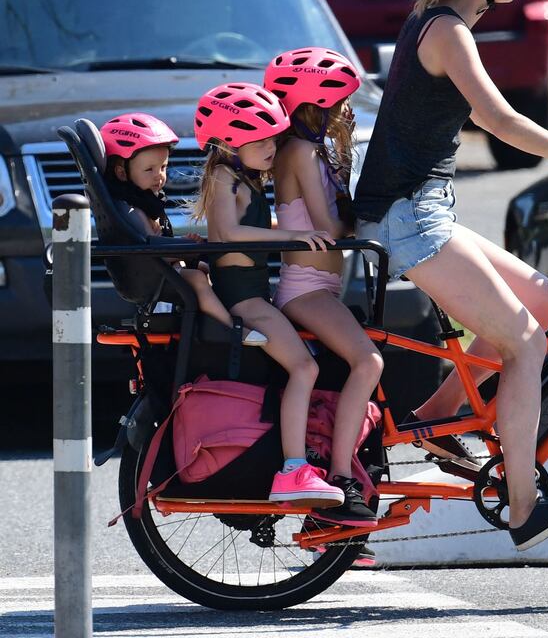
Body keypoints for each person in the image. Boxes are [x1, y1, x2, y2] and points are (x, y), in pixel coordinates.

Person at [353, 0, 548, 550]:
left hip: (424, 210)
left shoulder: (441, 23)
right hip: (409, 218)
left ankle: (436, 420)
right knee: (526, 344)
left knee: (546, 301)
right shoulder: (446, 31)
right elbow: (498, 120)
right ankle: (523, 506)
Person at [191, 82, 344, 507]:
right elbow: (229, 234)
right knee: (303, 369)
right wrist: (296, 235)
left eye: (274, 137)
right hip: (244, 299)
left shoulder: (246, 178)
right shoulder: (224, 177)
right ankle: (294, 470)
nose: (271, 147)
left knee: (303, 367)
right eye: (259, 140)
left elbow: (251, 230)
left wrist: (293, 233)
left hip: (254, 293)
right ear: (227, 142)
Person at [263, 48, 383, 527]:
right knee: (367, 360)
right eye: (337, 104)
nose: (343, 111)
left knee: (364, 362)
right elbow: (331, 225)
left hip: (321, 287)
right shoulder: (300, 151)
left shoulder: (312, 149)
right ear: (316, 102)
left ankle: (344, 471)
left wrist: (344, 145)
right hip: (305, 288)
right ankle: (340, 477)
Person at [99, 113, 267, 346]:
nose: (159, 176)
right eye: (149, 170)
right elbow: (149, 251)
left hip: (163, 270)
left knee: (210, 269)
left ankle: (222, 318)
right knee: (198, 279)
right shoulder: (133, 212)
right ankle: (231, 329)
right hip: (152, 278)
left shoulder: (144, 204)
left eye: (164, 167)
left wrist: (185, 245)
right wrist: (185, 249)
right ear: (121, 172)